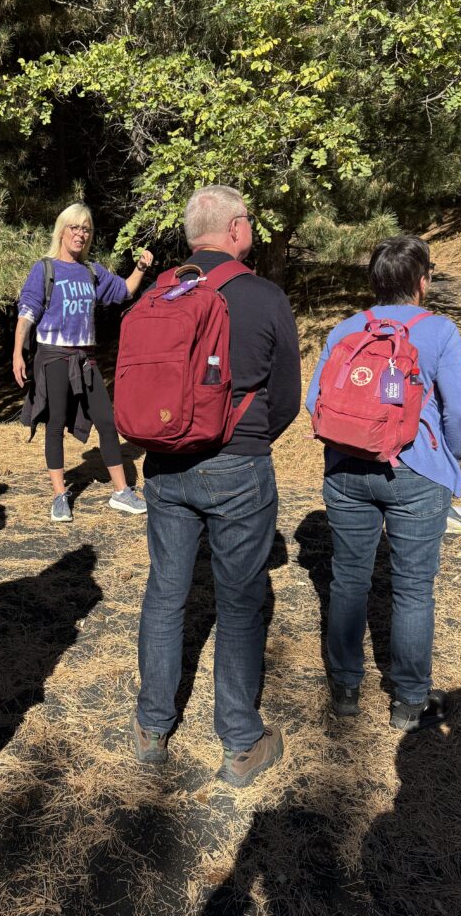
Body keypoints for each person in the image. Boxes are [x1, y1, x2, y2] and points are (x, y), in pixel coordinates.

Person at [132, 185, 301, 787]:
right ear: (234, 229)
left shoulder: (159, 292)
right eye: (249, 219)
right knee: (239, 601)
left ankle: (152, 727)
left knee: (165, 592)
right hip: (239, 466)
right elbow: (287, 398)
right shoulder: (263, 295)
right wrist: (246, 438)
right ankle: (240, 742)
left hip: (165, 463)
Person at [306, 236, 461, 731]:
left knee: (348, 580)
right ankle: (409, 702)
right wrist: (446, 458)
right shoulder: (439, 330)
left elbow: (314, 401)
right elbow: (460, 412)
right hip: (416, 473)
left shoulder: (346, 329)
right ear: (422, 282)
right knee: (413, 589)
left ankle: (345, 690)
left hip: (346, 469)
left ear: (374, 281)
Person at [13, 202, 153, 522]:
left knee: (106, 420)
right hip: (53, 355)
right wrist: (17, 352)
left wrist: (141, 268)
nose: (80, 234)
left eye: (86, 229)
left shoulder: (92, 271)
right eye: (75, 227)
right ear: (62, 231)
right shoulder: (45, 268)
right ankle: (59, 496)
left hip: (86, 358)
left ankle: (121, 492)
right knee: (56, 424)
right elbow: (27, 312)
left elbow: (124, 290)